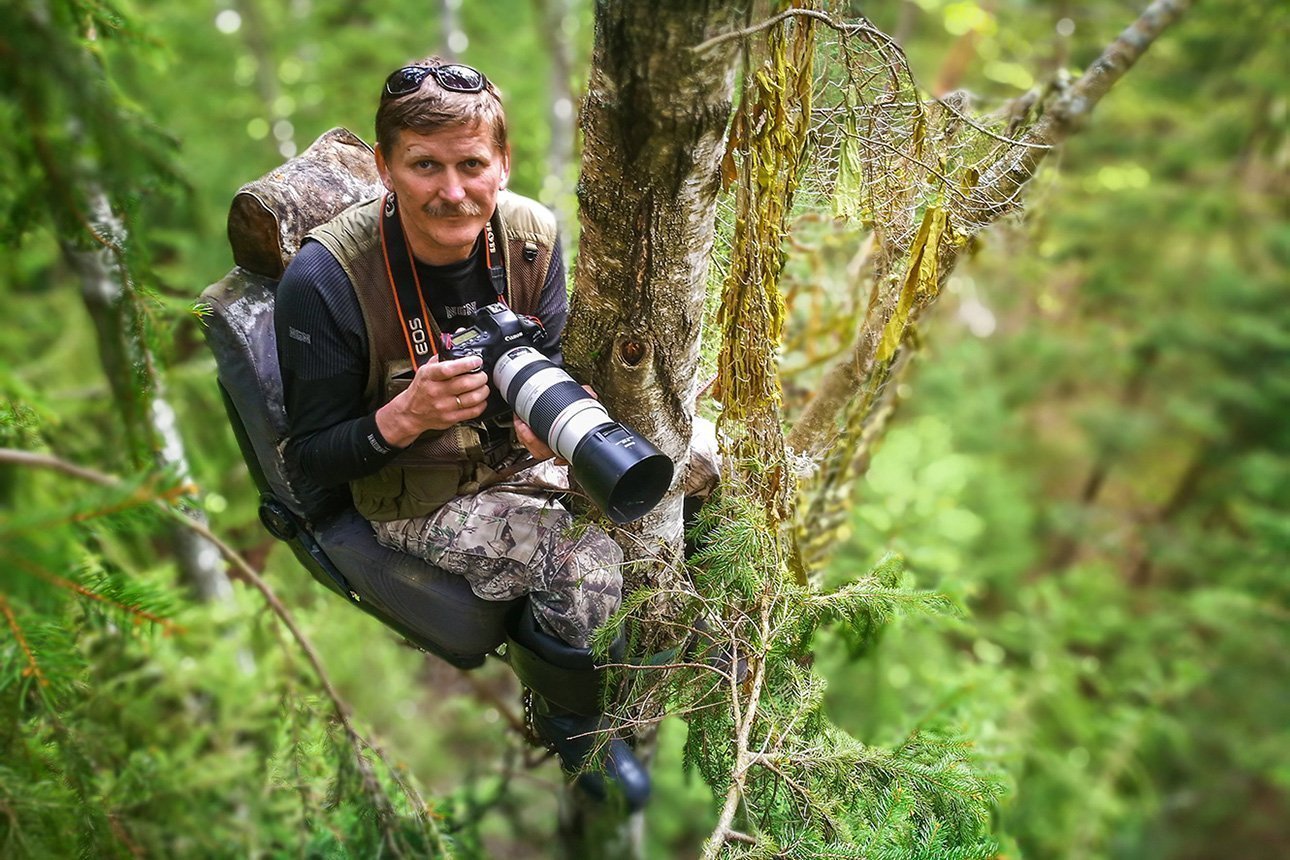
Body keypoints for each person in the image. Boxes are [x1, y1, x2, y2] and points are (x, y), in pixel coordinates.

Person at [273, 58, 650, 810]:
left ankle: (633, 653)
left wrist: (552, 422)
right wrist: (403, 417)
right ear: (385, 166)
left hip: (516, 458)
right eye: (424, 166)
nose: (452, 191)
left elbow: (553, 362)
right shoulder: (326, 281)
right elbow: (308, 461)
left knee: (689, 459)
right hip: (415, 495)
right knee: (582, 561)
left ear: (502, 162)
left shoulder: (532, 239)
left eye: (473, 164)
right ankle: (573, 719)